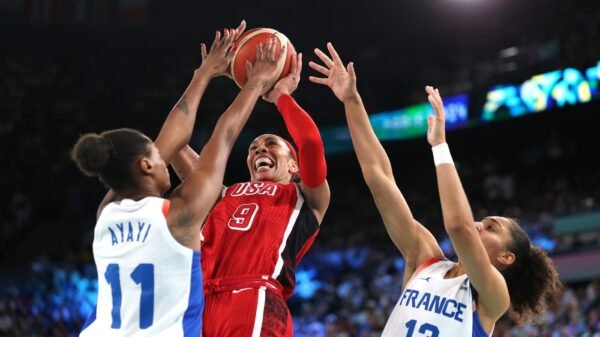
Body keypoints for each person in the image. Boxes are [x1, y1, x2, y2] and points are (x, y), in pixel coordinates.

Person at [309, 42, 561, 337]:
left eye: (491, 227)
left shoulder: (493, 296)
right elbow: (379, 178)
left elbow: (459, 226)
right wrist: (351, 101)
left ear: (506, 257)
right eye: (484, 221)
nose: (479, 225)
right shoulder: (425, 259)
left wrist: (440, 146)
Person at [73, 22, 288, 337]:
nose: (167, 158)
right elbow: (223, 137)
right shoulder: (179, 215)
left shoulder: (106, 213)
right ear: (145, 166)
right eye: (159, 158)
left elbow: (166, 143)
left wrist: (204, 74)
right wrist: (254, 83)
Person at [172, 50, 330, 337]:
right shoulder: (223, 194)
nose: (259, 149)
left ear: (294, 165)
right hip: (197, 302)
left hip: (254, 298)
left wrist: (281, 95)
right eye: (253, 147)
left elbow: (309, 141)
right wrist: (204, 76)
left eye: (270, 143)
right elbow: (174, 145)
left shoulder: (304, 195)